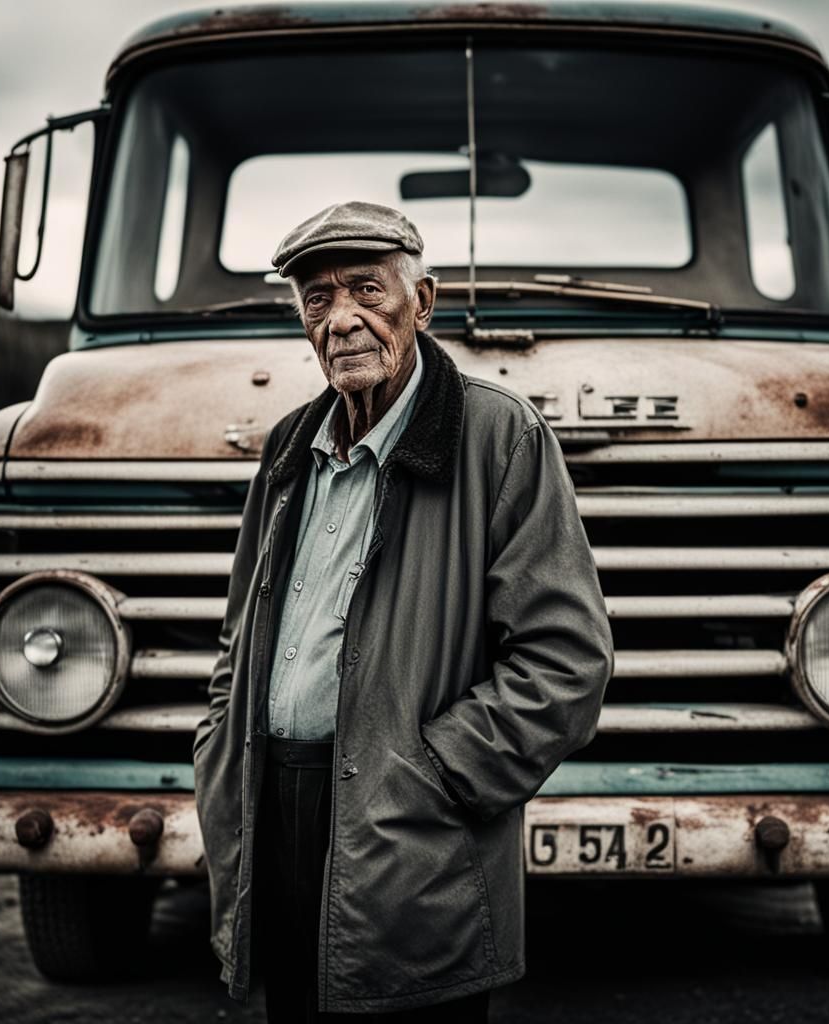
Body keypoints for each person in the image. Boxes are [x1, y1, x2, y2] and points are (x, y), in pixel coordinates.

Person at [193, 200, 613, 1022]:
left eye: (366, 290)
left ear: (421, 303)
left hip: (414, 825)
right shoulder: (288, 447)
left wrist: (435, 772)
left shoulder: (499, 437)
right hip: (275, 811)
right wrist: (220, 755)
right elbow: (239, 643)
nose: (341, 319)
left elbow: (567, 662)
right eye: (317, 299)